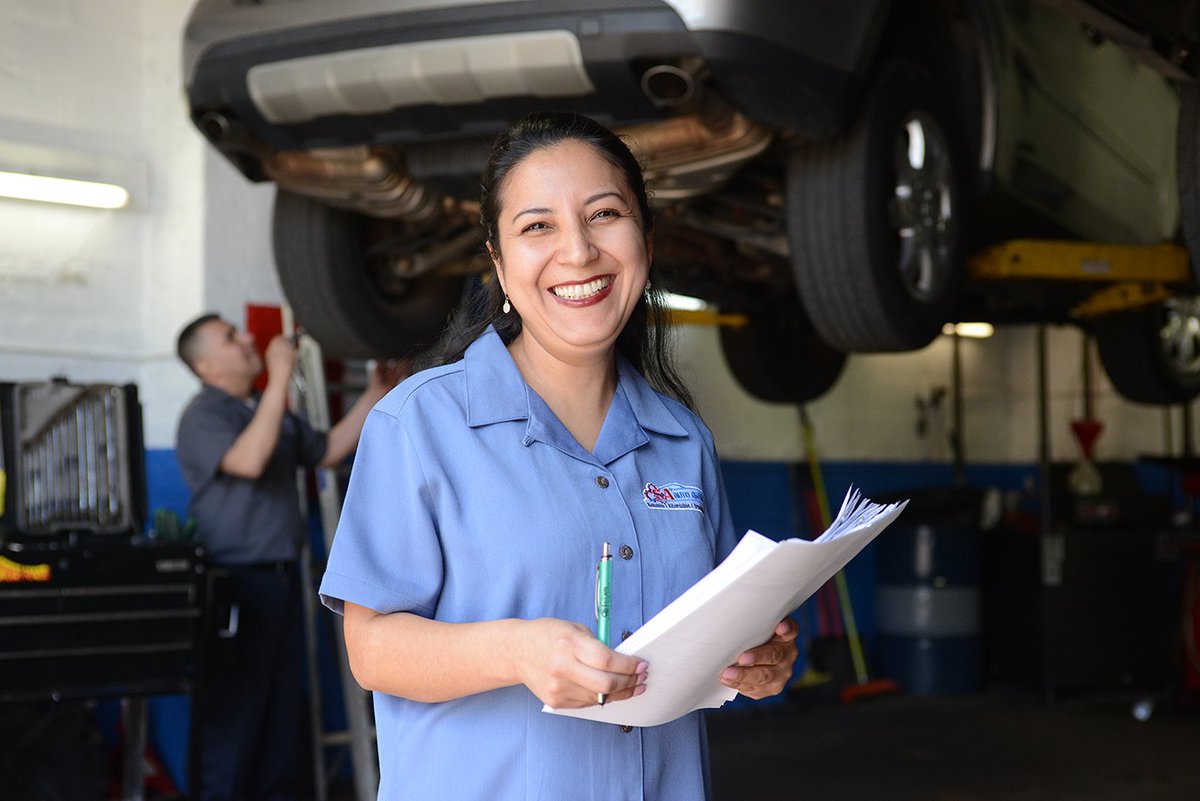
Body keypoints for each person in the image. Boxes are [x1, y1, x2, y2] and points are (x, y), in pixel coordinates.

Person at [318, 111, 798, 801]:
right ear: (498, 263)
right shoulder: (419, 422)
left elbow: (715, 633)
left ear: (646, 240)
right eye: (537, 225)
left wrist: (759, 660)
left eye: (604, 214)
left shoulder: (682, 440)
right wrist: (516, 650)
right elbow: (371, 649)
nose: (578, 251)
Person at [174, 314, 406, 801]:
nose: (246, 339)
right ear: (207, 367)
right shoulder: (201, 417)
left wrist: (373, 394)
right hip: (233, 588)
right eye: (230, 338)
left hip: (283, 583)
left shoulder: (262, 408)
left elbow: (326, 450)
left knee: (280, 716)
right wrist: (280, 375)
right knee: (234, 718)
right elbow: (248, 461)